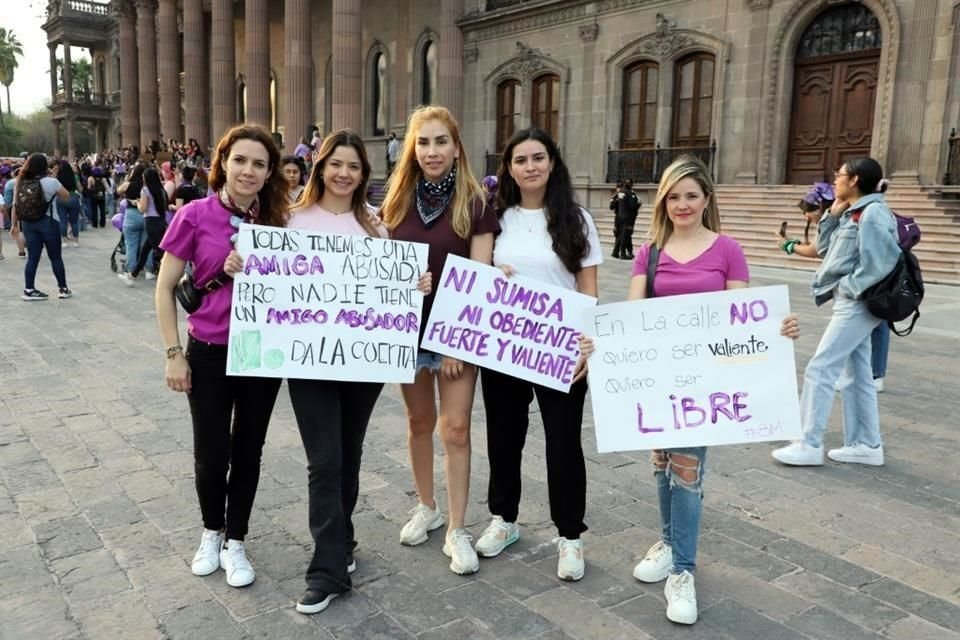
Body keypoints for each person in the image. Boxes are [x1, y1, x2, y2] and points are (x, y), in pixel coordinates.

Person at [582, 156, 799, 625]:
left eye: (691, 195)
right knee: (661, 464)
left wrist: (779, 328)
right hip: (658, 379)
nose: (682, 204)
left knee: (686, 470)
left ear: (707, 199)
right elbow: (633, 314)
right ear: (663, 201)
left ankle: (682, 569)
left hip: (705, 383)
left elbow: (747, 318)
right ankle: (668, 540)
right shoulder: (650, 251)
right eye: (674, 196)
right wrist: (600, 340)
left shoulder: (728, 250)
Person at [224, 129, 431, 615]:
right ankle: (326, 571)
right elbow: (267, 276)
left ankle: (343, 538)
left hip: (363, 363)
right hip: (307, 362)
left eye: (354, 166)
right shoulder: (289, 221)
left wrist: (414, 284)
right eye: (336, 163)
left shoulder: (377, 228)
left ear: (364, 175)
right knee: (324, 460)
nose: (344, 173)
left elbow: (391, 292)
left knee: (349, 454)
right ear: (320, 167)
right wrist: (240, 263)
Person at [155, 124, 288, 588]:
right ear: (224, 163)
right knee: (211, 454)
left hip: (260, 352)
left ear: (270, 172)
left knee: (248, 450)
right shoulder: (194, 214)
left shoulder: (278, 224)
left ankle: (237, 539)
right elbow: (165, 287)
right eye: (240, 161)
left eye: (259, 164)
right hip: (208, 351)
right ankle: (211, 530)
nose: (249, 171)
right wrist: (175, 354)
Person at [474, 128, 600, 581]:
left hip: (561, 349)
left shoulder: (577, 219)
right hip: (505, 346)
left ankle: (570, 535)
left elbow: (587, 287)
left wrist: (588, 343)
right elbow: (478, 274)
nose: (530, 166)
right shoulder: (496, 218)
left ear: (552, 162)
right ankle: (503, 519)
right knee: (504, 437)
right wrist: (492, 271)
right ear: (507, 167)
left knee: (563, 442)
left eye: (538, 157)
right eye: (521, 159)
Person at [380, 105, 499, 575]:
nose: (432, 151)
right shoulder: (395, 201)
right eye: (423, 142)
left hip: (456, 335)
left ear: (456, 147)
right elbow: (379, 271)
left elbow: (481, 276)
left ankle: (456, 527)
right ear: (412, 148)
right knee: (418, 421)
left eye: (441, 142)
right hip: (406, 332)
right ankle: (426, 505)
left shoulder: (476, 203)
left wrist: (455, 340)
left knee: (455, 429)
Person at [772, 157, 899, 468]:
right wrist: (832, 214)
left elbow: (881, 263)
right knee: (857, 376)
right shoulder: (854, 213)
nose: (835, 180)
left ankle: (809, 443)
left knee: (821, 368)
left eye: (840, 175)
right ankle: (866, 444)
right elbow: (827, 250)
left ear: (854, 180)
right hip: (853, 301)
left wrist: (847, 288)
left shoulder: (872, 215)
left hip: (857, 302)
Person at [777, 183, 889, 392]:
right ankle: (867, 376)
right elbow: (822, 248)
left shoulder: (850, 216)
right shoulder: (838, 217)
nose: (806, 217)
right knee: (862, 337)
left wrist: (788, 246)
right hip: (857, 286)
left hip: (864, 284)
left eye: (807, 213)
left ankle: (875, 375)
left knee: (821, 368)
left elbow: (817, 250)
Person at [9, 153, 73, 300]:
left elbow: (15, 206)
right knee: (55, 257)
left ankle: (29, 289)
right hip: (49, 222)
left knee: (32, 258)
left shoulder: (20, 182)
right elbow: (66, 196)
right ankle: (63, 288)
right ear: (45, 166)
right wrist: (53, 177)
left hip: (28, 224)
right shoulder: (51, 182)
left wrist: (14, 225)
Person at [119, 167, 167, 285]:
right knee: (145, 250)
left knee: (160, 251)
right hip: (160, 221)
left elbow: (142, 209)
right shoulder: (161, 190)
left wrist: (138, 202)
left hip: (150, 221)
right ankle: (132, 275)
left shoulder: (145, 190)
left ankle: (172, 275)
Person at [55, 161, 83, 247]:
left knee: (62, 221)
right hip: (73, 197)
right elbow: (80, 189)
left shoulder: (57, 177)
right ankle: (76, 241)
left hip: (60, 198)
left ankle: (64, 241)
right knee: (74, 221)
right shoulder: (74, 177)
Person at [612, 179, 641, 259]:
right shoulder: (630, 193)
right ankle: (623, 253)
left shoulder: (620, 193)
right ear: (631, 185)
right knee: (626, 235)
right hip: (628, 218)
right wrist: (638, 204)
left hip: (620, 216)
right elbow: (633, 206)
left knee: (622, 234)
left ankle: (616, 251)